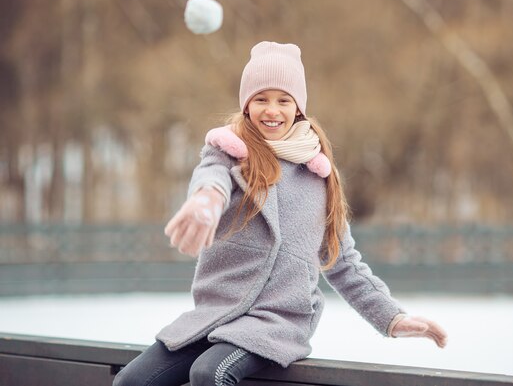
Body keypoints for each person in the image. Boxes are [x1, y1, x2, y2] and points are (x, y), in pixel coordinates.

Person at [113, 41, 447, 386]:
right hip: (215, 313)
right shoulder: (228, 151)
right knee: (130, 382)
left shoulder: (319, 176)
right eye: (261, 99)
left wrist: (391, 318)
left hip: (277, 320)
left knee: (209, 373)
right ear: (246, 105)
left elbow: (343, 262)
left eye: (283, 100)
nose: (272, 110)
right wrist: (206, 199)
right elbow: (211, 178)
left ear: (298, 108)